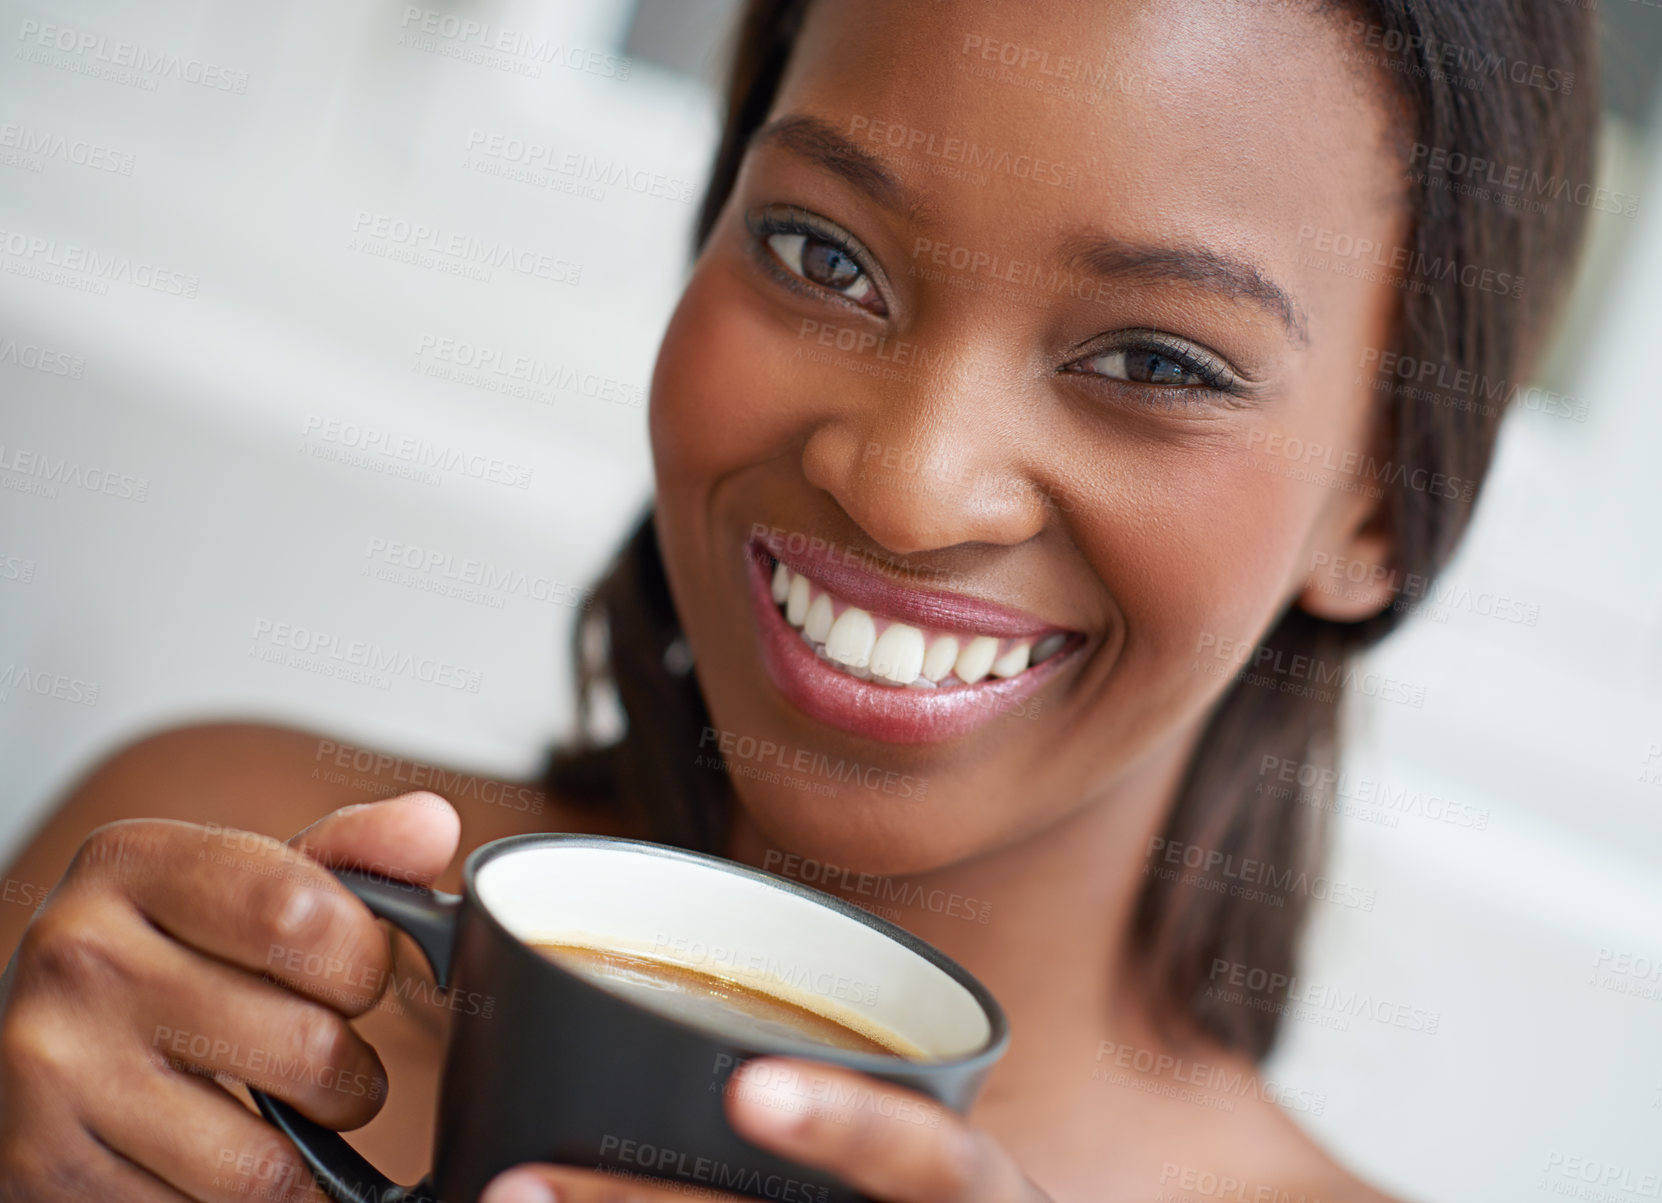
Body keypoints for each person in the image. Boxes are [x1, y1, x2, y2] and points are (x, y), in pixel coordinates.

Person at [0, 0, 1598, 1199]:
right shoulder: (184, 962)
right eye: (823, 256)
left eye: (1153, 361)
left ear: (1382, 504)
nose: (904, 483)